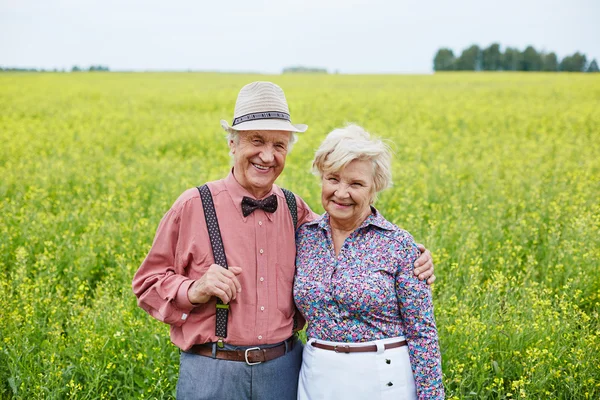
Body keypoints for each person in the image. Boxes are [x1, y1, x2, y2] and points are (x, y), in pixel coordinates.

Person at [132, 82, 436, 400]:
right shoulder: (193, 205)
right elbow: (147, 285)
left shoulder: (297, 212)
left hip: (284, 371)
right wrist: (194, 290)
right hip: (212, 369)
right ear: (232, 144)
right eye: (257, 141)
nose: (267, 155)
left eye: (279, 145)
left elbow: (347, 231)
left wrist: (413, 256)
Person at [294, 124, 444, 399]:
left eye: (356, 184)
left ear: (375, 188)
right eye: (333, 179)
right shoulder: (303, 236)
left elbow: (422, 334)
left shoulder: (399, 244)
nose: (341, 192)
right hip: (317, 381)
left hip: (385, 382)